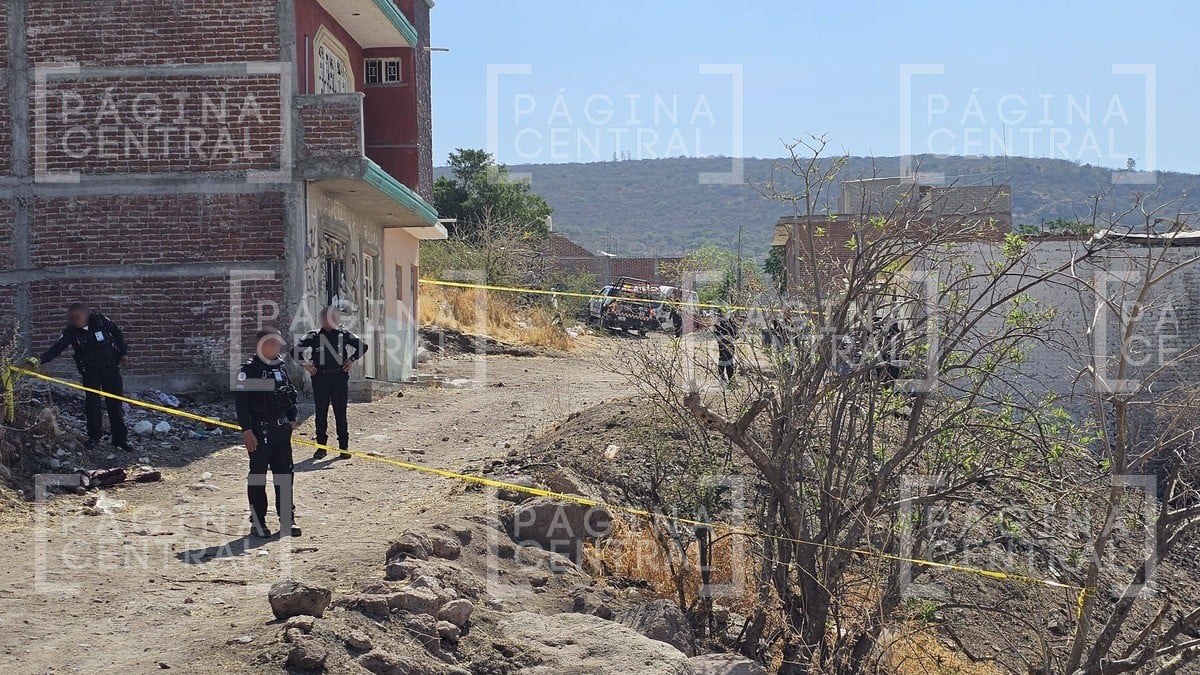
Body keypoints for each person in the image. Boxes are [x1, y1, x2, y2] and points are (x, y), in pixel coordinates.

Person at [33, 302, 133, 452]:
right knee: (92, 405)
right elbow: (57, 347)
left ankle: (119, 439)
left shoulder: (100, 321)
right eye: (71, 318)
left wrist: (123, 353)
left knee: (115, 405)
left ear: (86, 315)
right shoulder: (71, 332)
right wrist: (40, 360)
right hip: (90, 373)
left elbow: (117, 333)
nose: (74, 321)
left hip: (110, 369)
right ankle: (94, 437)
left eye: (77, 317)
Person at [235, 328, 300, 539]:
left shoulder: (280, 367)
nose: (278, 346)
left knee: (284, 476)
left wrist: (292, 417)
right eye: (273, 342)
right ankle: (258, 521)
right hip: (260, 431)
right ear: (262, 345)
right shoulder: (249, 370)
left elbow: (288, 393)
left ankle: (287, 520)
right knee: (258, 477)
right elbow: (242, 405)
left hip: (281, 431)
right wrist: (247, 431)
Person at [294, 306, 368, 460]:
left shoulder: (344, 334)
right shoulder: (313, 336)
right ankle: (321, 448)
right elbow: (294, 351)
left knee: (340, 412)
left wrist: (351, 360)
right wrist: (305, 364)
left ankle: (344, 447)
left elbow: (363, 346)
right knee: (320, 413)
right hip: (320, 377)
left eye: (334, 318)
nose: (331, 321)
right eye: (327, 318)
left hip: (339, 377)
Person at [714, 310, 739, 383]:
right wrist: (724, 338)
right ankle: (722, 378)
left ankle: (731, 380)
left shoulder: (731, 323)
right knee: (722, 360)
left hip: (731, 344)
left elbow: (736, 334)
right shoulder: (718, 324)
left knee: (730, 361)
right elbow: (717, 334)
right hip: (722, 345)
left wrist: (733, 337)